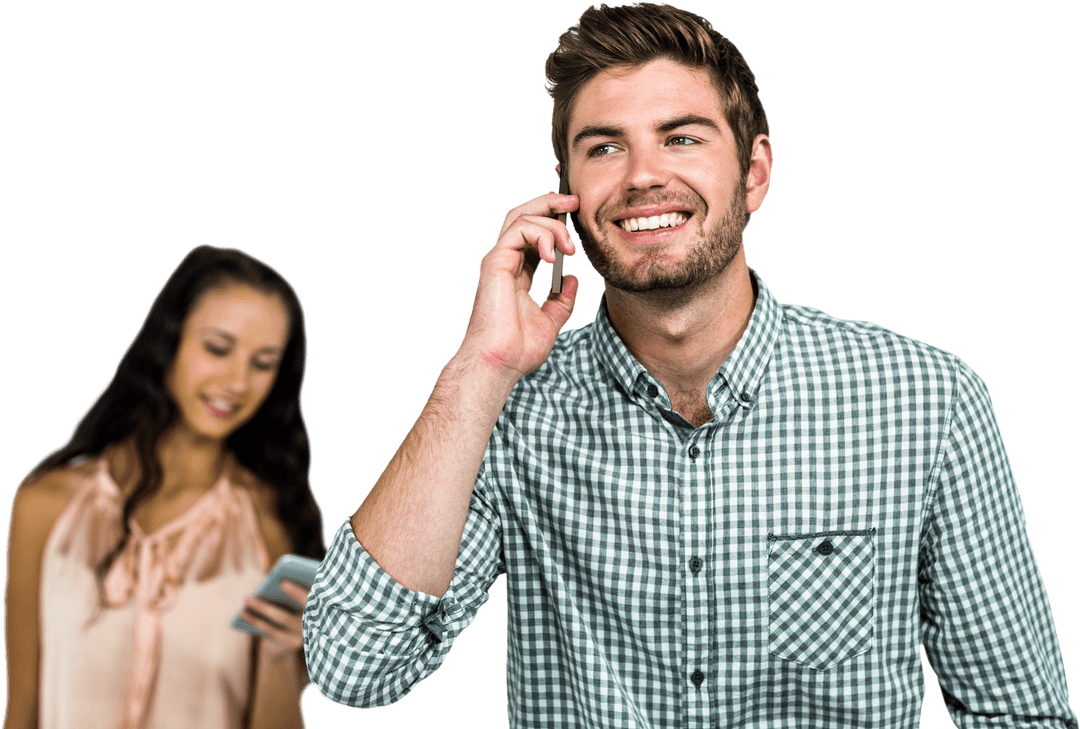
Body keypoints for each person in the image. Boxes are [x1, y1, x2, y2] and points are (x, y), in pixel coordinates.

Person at [302, 3, 1077, 727]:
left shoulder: (926, 399)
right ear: (565, 195)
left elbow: (1021, 712)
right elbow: (350, 665)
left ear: (755, 173)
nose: (642, 174)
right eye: (604, 146)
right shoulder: (510, 411)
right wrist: (482, 366)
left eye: (681, 137)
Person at [3, 245, 326, 729]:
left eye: (263, 363)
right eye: (217, 348)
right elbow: (22, 710)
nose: (237, 381)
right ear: (167, 342)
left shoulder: (270, 525)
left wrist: (288, 654)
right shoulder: (43, 507)